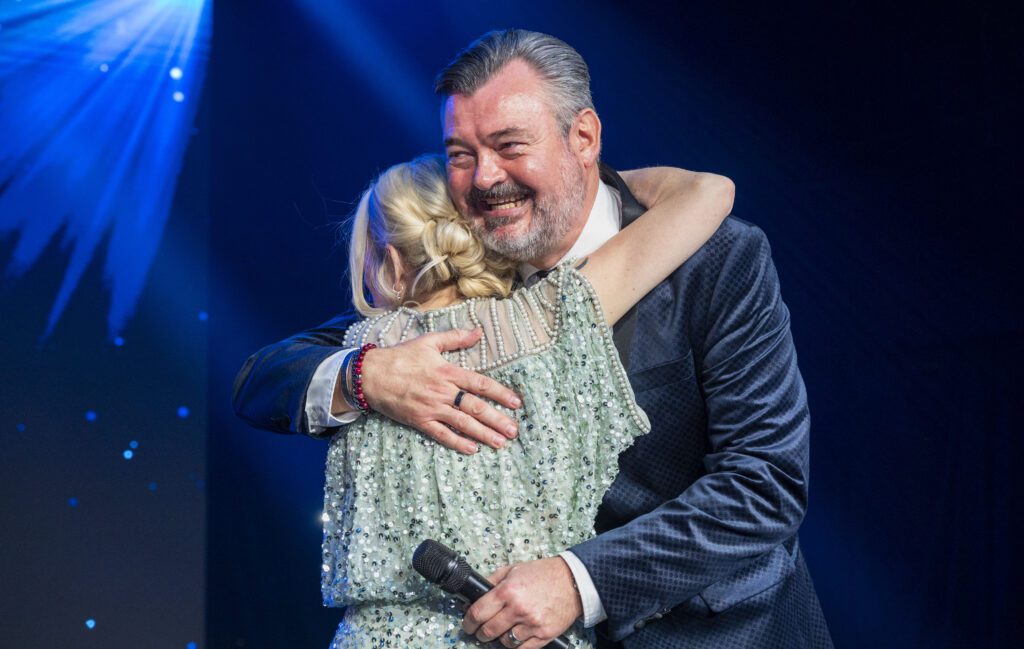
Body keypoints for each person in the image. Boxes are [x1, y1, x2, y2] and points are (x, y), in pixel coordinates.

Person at [234, 29, 832, 649]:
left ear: (584, 138)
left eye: (509, 146)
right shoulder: (463, 277)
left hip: (720, 634)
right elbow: (265, 377)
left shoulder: (718, 258)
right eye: (460, 154)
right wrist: (369, 376)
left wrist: (580, 582)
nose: (485, 177)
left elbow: (764, 484)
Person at [315, 154, 729, 648]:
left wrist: (362, 373)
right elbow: (709, 191)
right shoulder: (549, 319)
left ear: (391, 262)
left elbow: (274, 374)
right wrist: (575, 183)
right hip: (526, 636)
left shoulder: (355, 357)